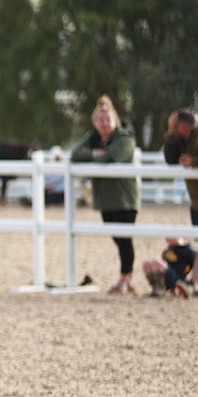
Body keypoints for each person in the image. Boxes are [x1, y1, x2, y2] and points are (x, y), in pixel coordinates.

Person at [71, 95, 140, 295]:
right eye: (101, 120)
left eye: (108, 119)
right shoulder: (93, 138)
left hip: (124, 198)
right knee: (117, 237)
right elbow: (75, 154)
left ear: (115, 120)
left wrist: (93, 156)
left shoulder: (124, 138)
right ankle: (126, 277)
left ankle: (125, 278)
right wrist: (95, 154)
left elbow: (112, 157)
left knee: (124, 238)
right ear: (95, 122)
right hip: (105, 199)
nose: (105, 123)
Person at [163, 108, 198, 226]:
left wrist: (193, 161)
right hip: (196, 202)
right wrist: (170, 134)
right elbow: (171, 159)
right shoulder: (181, 138)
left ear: (182, 127)